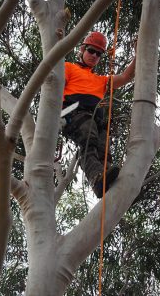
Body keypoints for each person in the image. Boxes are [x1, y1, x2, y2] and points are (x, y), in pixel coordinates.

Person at [62, 31, 136, 198]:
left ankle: (106, 180)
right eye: (91, 50)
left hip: (96, 119)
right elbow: (53, 87)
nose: (94, 55)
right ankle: (96, 178)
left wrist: (138, 54)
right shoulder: (68, 67)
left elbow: (126, 76)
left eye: (99, 53)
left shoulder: (101, 80)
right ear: (82, 49)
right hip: (72, 112)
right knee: (89, 140)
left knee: (103, 151)